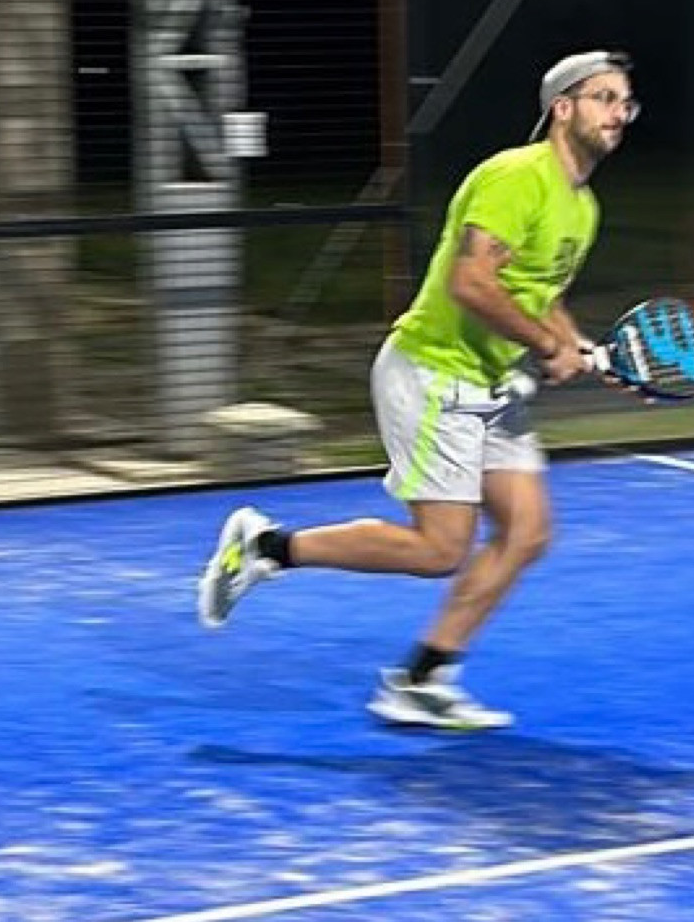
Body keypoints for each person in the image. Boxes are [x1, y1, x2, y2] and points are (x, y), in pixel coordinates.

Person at [195, 48, 638, 731]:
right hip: (431, 373)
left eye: (626, 103)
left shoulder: (583, 208)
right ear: (563, 107)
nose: (619, 113)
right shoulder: (515, 177)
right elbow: (471, 282)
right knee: (440, 551)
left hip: (491, 385)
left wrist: (572, 343)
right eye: (604, 98)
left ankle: (423, 679)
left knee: (527, 532)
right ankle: (265, 547)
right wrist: (547, 346)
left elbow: (540, 292)